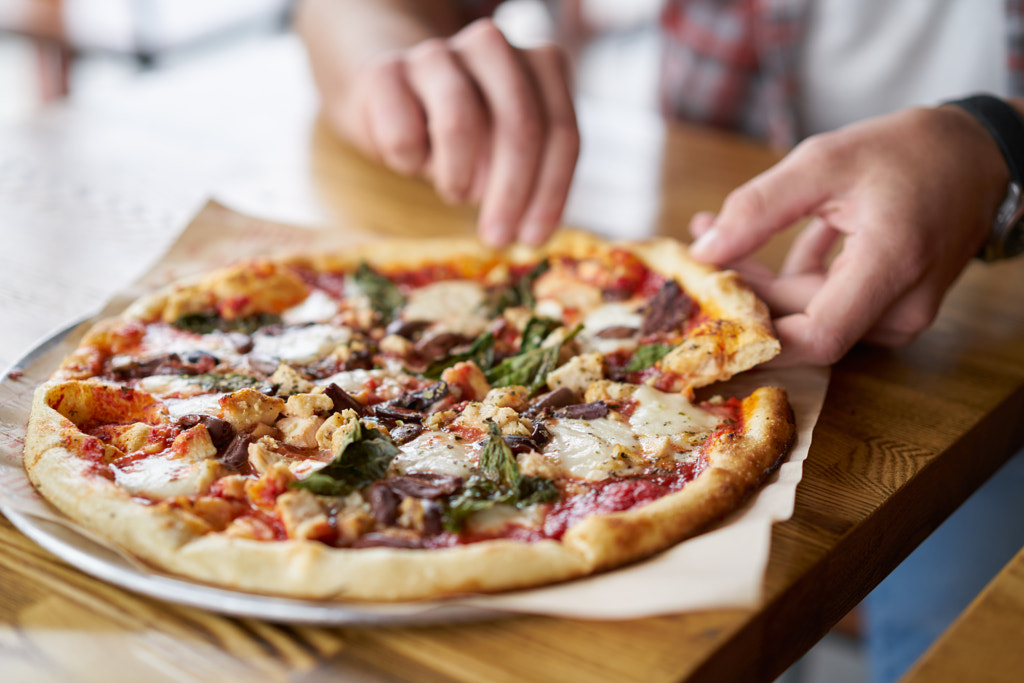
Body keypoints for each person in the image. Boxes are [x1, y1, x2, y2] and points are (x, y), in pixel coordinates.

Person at [295, 2, 1024, 680]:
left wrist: (996, 144)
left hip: (989, 339)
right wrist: (393, 73)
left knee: (955, 621)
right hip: (694, 227)